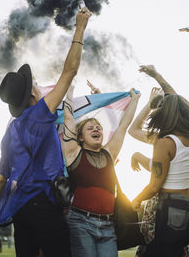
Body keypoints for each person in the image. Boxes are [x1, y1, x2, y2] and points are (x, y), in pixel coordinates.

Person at [0, 6, 92, 257]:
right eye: (35, 83)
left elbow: (1, 177)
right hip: (44, 206)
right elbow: (69, 72)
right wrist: (80, 28)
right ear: (33, 94)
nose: (39, 84)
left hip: (20, 210)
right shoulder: (40, 114)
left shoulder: (11, 130)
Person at [130, 65, 189, 256]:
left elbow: (155, 186)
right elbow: (176, 100)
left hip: (173, 211)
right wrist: (157, 76)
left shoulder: (164, 143)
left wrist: (136, 200)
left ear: (164, 114)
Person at [62, 84, 140, 257]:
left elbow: (123, 126)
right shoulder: (73, 153)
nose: (96, 129)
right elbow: (68, 119)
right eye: (90, 128)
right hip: (80, 223)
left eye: (98, 127)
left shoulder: (109, 154)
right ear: (80, 137)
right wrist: (68, 92)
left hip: (108, 225)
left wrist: (135, 100)